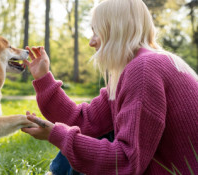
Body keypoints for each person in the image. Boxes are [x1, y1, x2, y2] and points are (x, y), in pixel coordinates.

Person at [21, 0, 198, 174]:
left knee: (81, 138)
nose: (91, 42)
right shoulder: (140, 65)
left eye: (96, 32)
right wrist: (43, 77)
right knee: (90, 133)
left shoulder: (143, 70)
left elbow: (127, 161)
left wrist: (57, 135)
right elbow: (84, 120)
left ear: (115, 30)